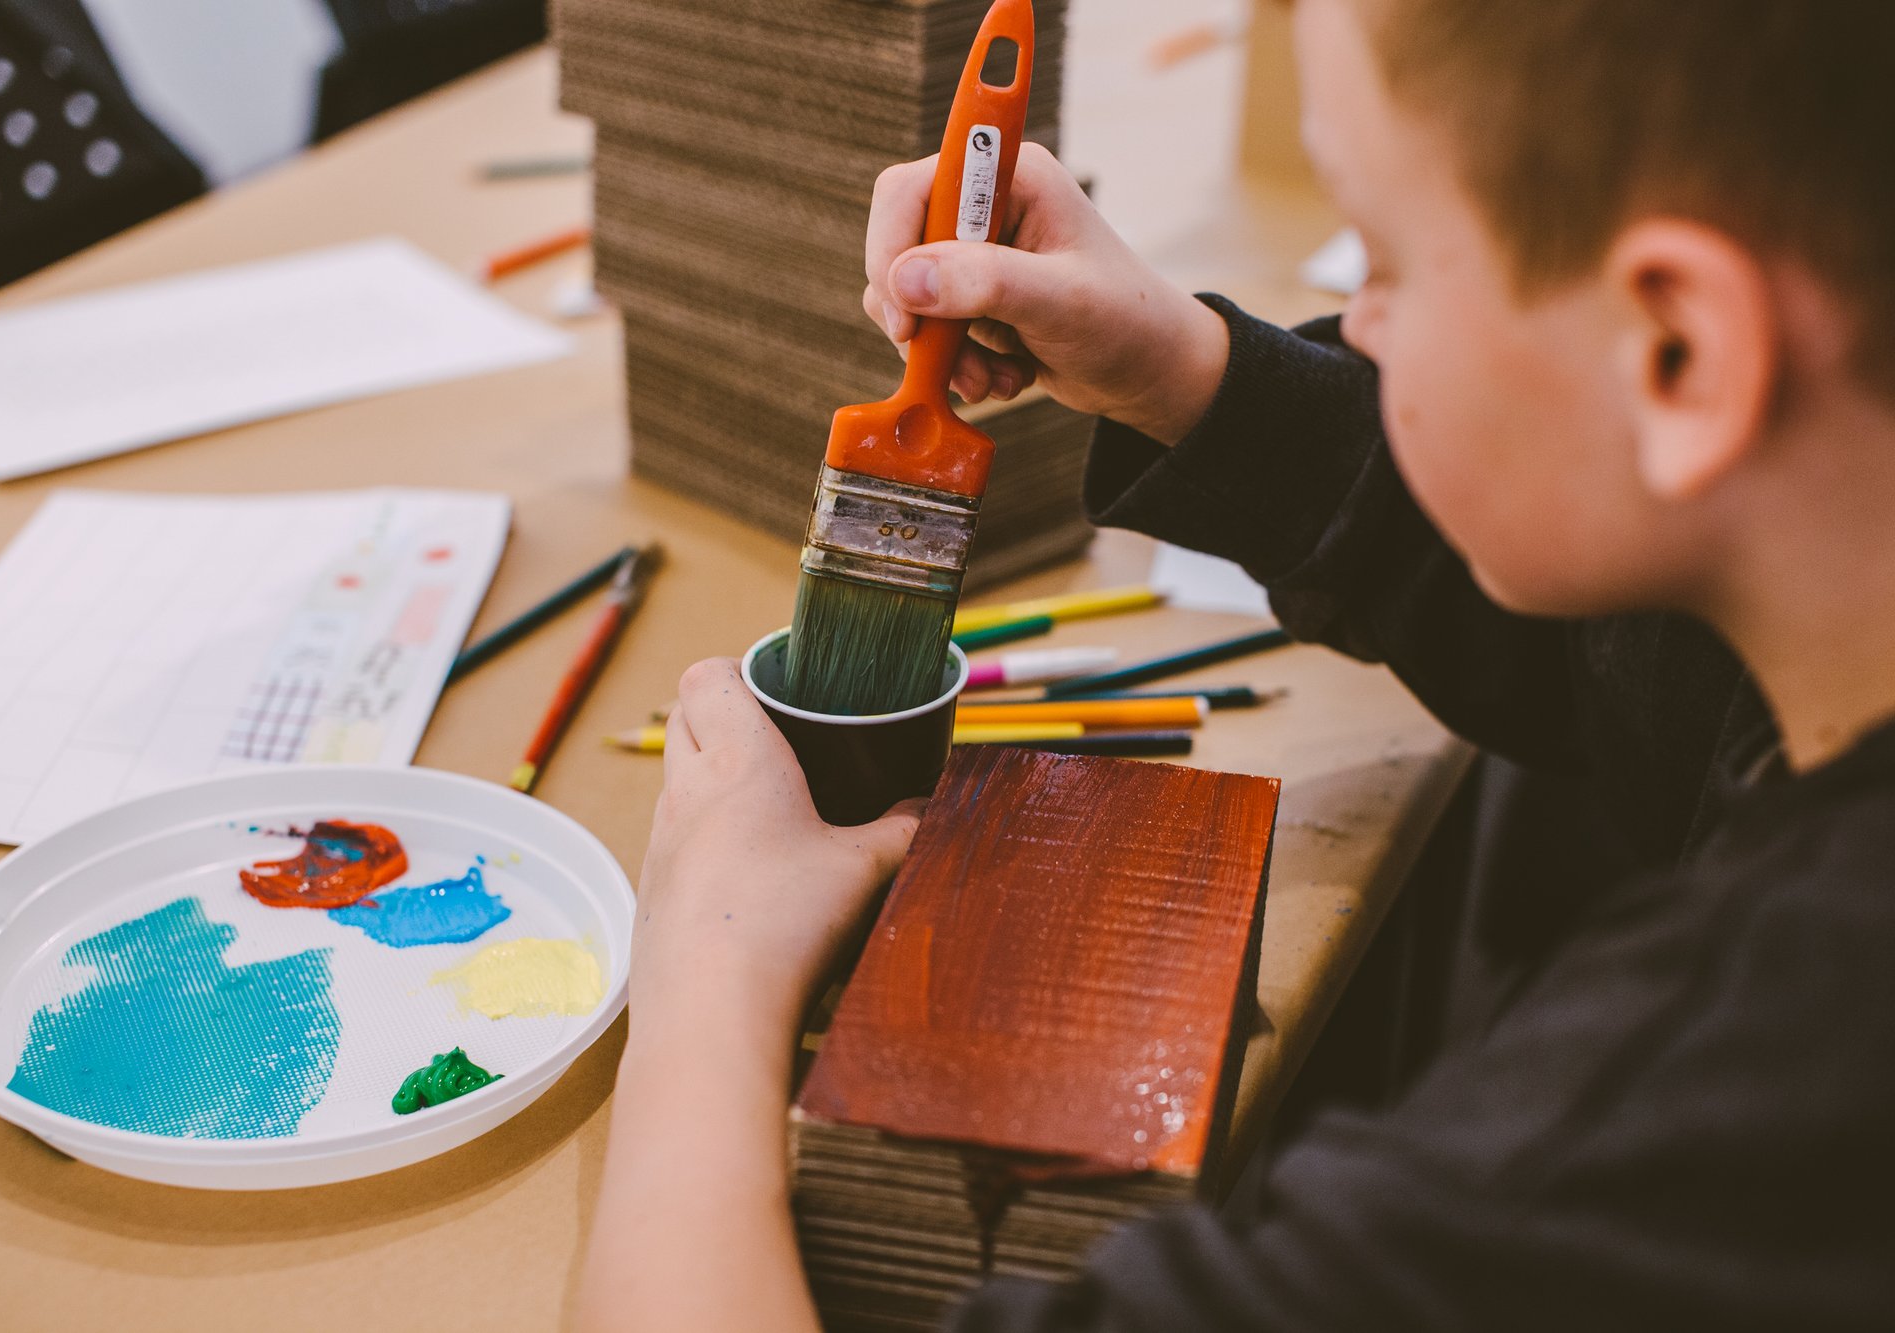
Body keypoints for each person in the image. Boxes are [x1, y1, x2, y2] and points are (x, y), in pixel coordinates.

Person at [578, 0, 1895, 1326]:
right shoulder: (1810, 613)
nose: (1358, 325)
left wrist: (705, 973)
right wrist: (1176, 370)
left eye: (1382, 264)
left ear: (1682, 350)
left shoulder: (1698, 1119)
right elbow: (1638, 659)